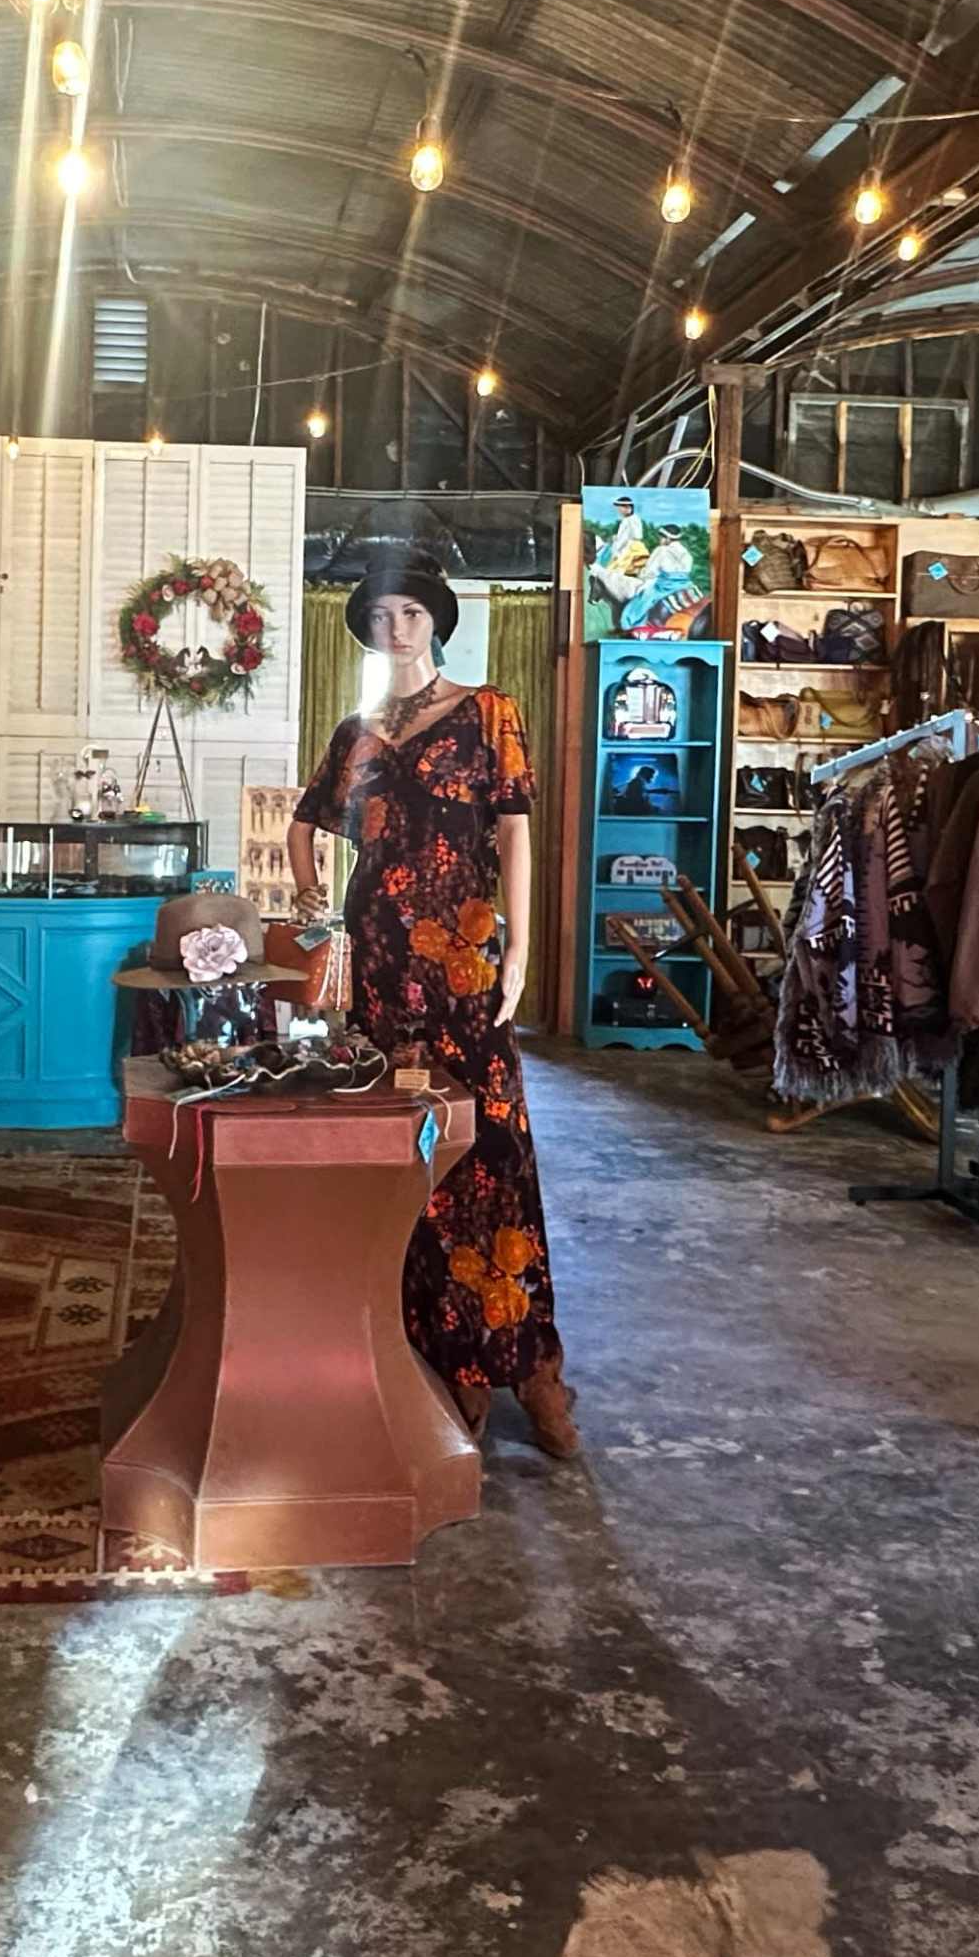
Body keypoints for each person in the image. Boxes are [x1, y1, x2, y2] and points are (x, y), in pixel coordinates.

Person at [288, 549, 574, 1455]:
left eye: (410, 612)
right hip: (378, 962)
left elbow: (516, 829)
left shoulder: (489, 713)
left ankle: (527, 1363)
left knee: (493, 1141)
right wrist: (313, 901)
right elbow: (305, 824)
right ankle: (436, 1356)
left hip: (463, 956)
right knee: (400, 1151)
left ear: (436, 622)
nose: (396, 627)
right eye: (380, 616)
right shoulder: (357, 731)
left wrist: (523, 949)